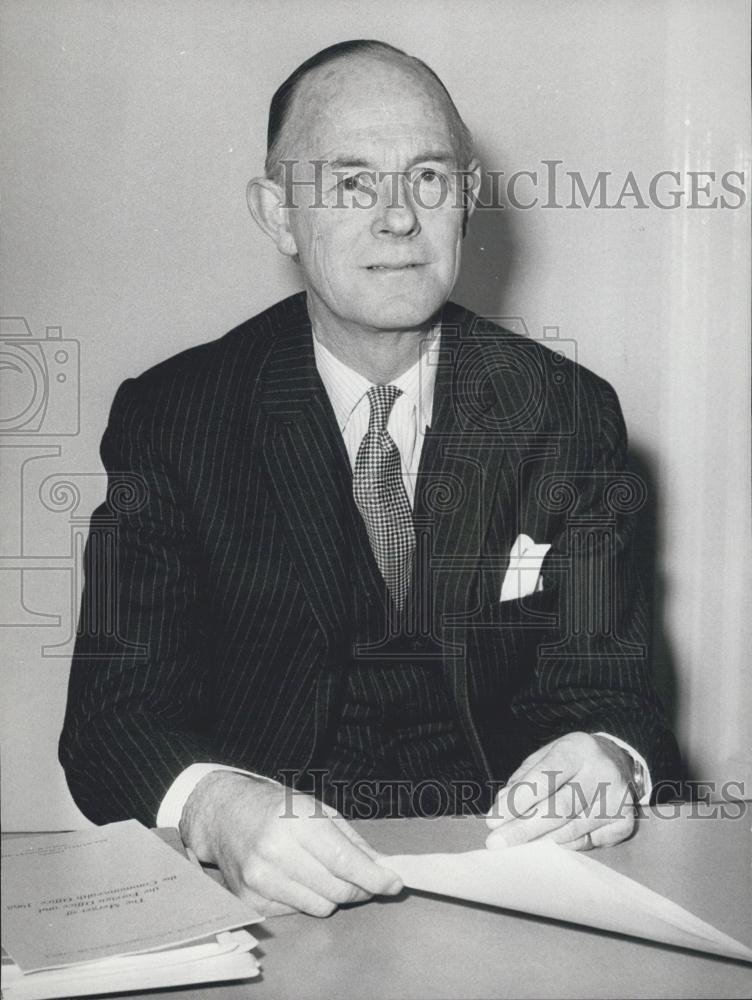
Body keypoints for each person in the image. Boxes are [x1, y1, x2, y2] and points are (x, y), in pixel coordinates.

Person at [59, 39, 680, 918]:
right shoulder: (173, 417)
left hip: (508, 885)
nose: (398, 219)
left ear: (465, 200)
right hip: (263, 895)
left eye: (428, 178)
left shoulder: (566, 412)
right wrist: (217, 808)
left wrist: (608, 756)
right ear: (278, 214)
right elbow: (110, 724)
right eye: (352, 183)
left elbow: (615, 693)